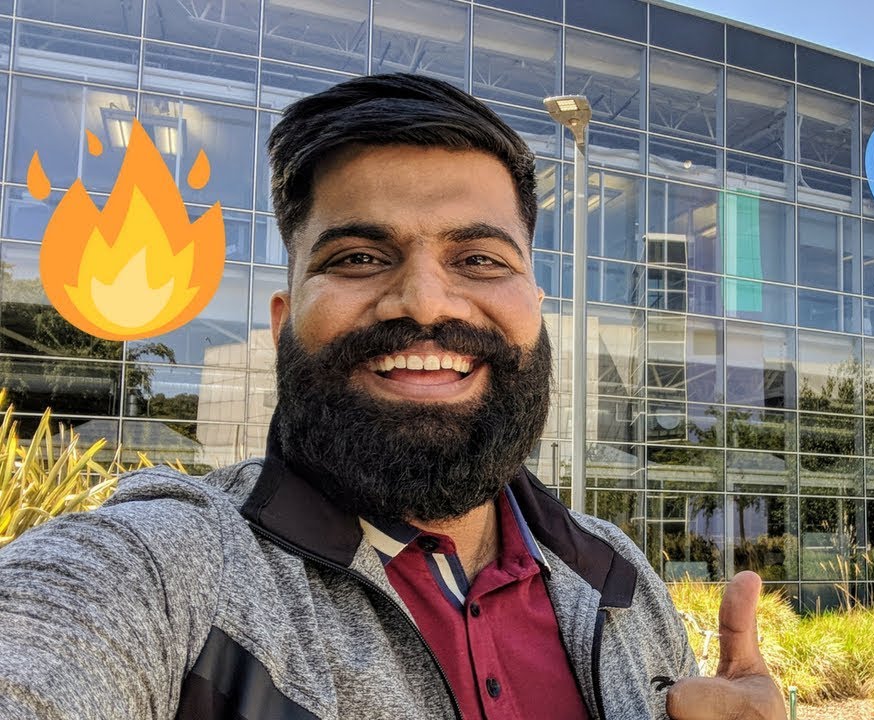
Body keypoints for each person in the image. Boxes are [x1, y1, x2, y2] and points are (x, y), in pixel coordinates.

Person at [0, 74, 784, 720]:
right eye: (360, 256)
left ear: (534, 307)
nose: (425, 302)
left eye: (478, 258)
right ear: (283, 325)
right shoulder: (165, 574)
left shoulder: (616, 575)